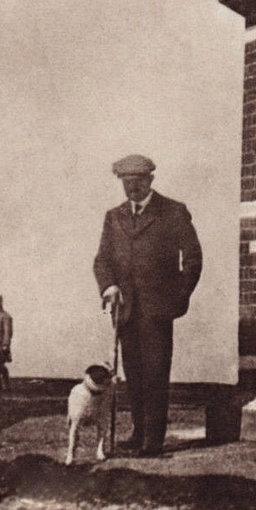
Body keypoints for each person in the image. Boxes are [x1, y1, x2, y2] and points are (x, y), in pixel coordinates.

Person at [93, 154, 203, 457]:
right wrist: (109, 286)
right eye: (127, 185)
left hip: (158, 311)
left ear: (150, 180)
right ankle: (139, 432)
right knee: (134, 373)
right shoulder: (113, 217)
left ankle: (153, 440)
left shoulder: (172, 212)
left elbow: (192, 259)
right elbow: (102, 260)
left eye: (138, 183)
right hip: (125, 311)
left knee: (155, 373)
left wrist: (176, 298)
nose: (133, 189)